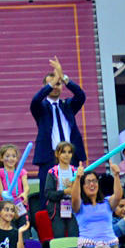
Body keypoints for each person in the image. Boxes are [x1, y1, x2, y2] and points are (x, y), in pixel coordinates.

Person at [31, 56, 87, 211]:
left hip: (71, 157)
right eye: (53, 83)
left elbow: (81, 96)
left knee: (75, 192)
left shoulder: (67, 105)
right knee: (48, 195)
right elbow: (35, 100)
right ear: (45, 86)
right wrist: (53, 81)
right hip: (50, 157)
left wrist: (64, 77)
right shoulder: (40, 108)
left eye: (58, 84)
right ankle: (48, 231)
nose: (56, 86)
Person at [71, 162, 124, 248]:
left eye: (94, 181)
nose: (92, 184)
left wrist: (116, 175)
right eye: (88, 182)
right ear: (82, 186)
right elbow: (74, 198)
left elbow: (118, 196)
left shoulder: (106, 202)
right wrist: (78, 178)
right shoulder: (79, 206)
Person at [44, 142, 79, 238]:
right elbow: (48, 193)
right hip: (56, 208)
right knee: (59, 235)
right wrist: (64, 192)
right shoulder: (52, 172)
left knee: (74, 235)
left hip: (73, 207)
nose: (67, 155)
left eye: (69, 152)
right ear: (57, 154)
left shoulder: (75, 172)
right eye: (63, 152)